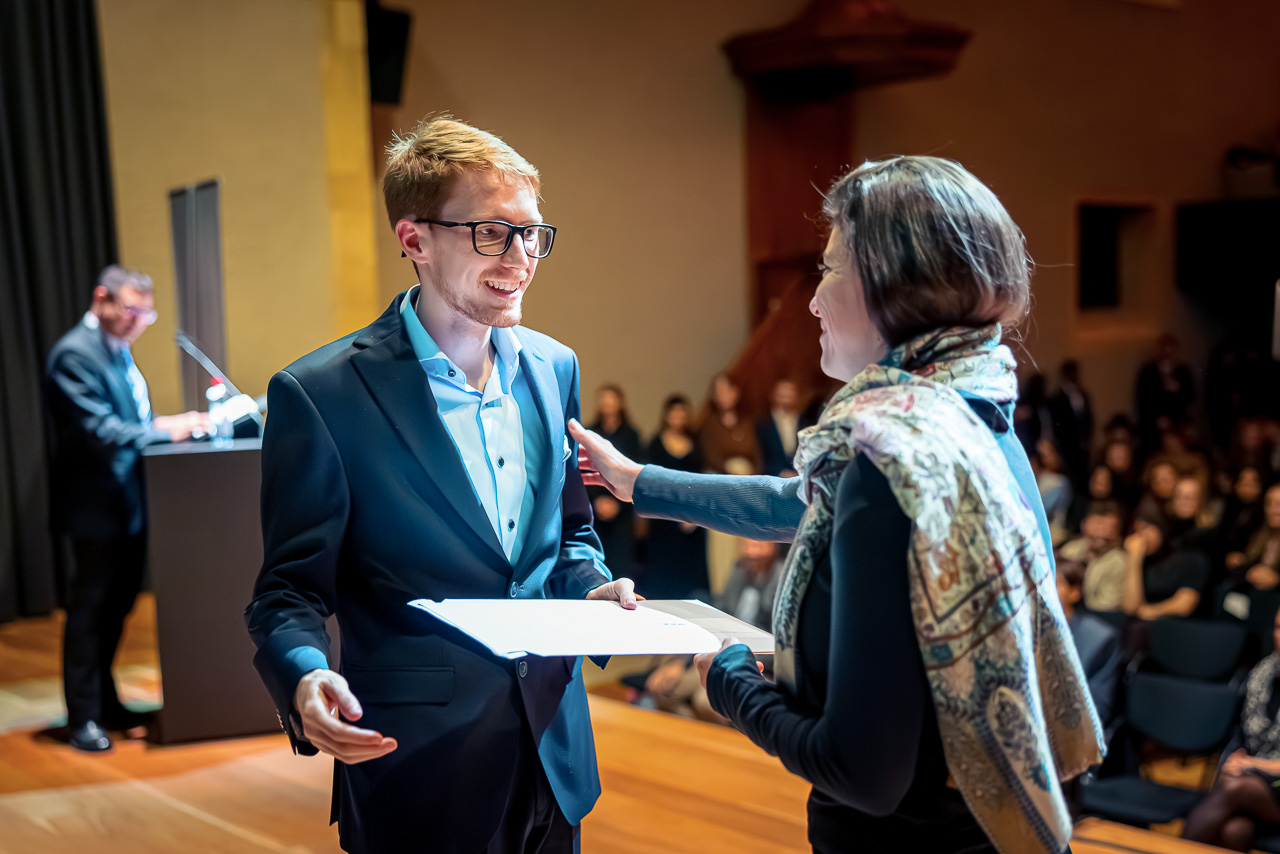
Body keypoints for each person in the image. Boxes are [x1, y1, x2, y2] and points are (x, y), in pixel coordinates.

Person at [571, 156, 1102, 854]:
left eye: (828, 270)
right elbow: (800, 503)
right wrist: (638, 481)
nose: (814, 301)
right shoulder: (966, 415)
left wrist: (730, 677)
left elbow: (861, 773)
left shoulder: (896, 456)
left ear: (891, 285)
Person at [244, 118, 636, 854]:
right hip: (417, 765)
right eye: (492, 233)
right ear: (414, 239)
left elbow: (570, 535)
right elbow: (287, 593)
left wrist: (590, 588)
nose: (520, 258)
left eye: (532, 234)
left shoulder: (554, 367)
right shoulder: (322, 394)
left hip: (556, 753)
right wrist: (303, 677)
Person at [45, 265, 211, 753]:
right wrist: (165, 430)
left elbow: (131, 419)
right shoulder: (75, 354)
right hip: (95, 509)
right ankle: (82, 717)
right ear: (102, 298)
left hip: (129, 504)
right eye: (131, 310)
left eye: (146, 314)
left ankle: (107, 703)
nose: (138, 322)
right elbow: (100, 431)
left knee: (117, 608)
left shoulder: (116, 350)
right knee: (90, 610)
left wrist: (168, 423)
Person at [1182, 609, 1280, 850]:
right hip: (1262, 785)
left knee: (1236, 787)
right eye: (1279, 627)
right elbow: (1244, 738)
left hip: (1271, 782)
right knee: (1234, 831)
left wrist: (1251, 765)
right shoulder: (1262, 674)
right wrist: (1236, 761)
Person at [640, 395, 708, 599]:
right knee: (662, 570)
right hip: (663, 516)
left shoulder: (696, 443)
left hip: (690, 519)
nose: (678, 417)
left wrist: (692, 513)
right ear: (666, 415)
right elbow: (650, 480)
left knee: (688, 572)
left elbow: (702, 481)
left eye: (682, 412)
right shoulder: (655, 443)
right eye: (674, 412)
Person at [1123, 477, 1213, 620]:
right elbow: (1131, 608)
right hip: (1143, 624)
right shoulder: (1140, 557)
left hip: (1179, 625)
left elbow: (1186, 603)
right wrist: (1134, 559)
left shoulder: (1194, 553)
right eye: (1137, 530)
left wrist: (1152, 611)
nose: (1141, 537)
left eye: (1147, 528)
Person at [1055, 560, 1122, 729]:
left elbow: (1098, 709)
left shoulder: (1100, 639)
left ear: (1074, 593)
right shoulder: (1024, 632)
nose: (1041, 591)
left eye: (1054, 583)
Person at [587, 384, 642, 575]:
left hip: (622, 508)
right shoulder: (590, 433)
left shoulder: (632, 436)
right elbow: (583, 469)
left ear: (620, 404)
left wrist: (617, 503)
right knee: (595, 562)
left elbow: (635, 472)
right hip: (595, 508)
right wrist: (596, 500)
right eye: (604, 401)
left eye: (612, 401)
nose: (608, 405)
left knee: (620, 563)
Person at [1057, 501, 1128, 613]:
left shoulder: (1118, 562)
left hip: (1097, 616)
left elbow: (1109, 605)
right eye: (1097, 525)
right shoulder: (1072, 549)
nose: (1102, 533)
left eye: (1109, 527)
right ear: (1084, 525)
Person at [1048, 359, 1094, 485]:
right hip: (1066, 445)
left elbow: (1089, 419)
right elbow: (1056, 423)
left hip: (1082, 445)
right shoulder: (1057, 397)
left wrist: (1087, 438)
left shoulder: (1083, 394)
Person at [757, 378, 809, 477]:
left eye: (790, 391)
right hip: (772, 478)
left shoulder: (806, 423)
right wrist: (779, 472)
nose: (786, 395)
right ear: (773, 395)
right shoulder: (763, 424)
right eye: (782, 392)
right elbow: (759, 456)